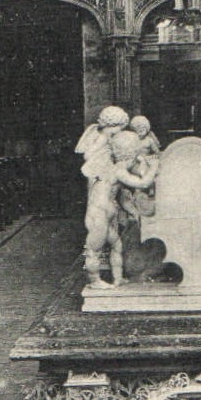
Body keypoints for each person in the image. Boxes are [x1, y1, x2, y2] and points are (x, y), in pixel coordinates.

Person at [78, 106, 155, 287]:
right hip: (99, 213)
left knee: (117, 245)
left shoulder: (113, 164)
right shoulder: (115, 168)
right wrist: (153, 167)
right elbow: (143, 183)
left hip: (108, 211)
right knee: (94, 249)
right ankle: (95, 281)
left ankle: (118, 277)